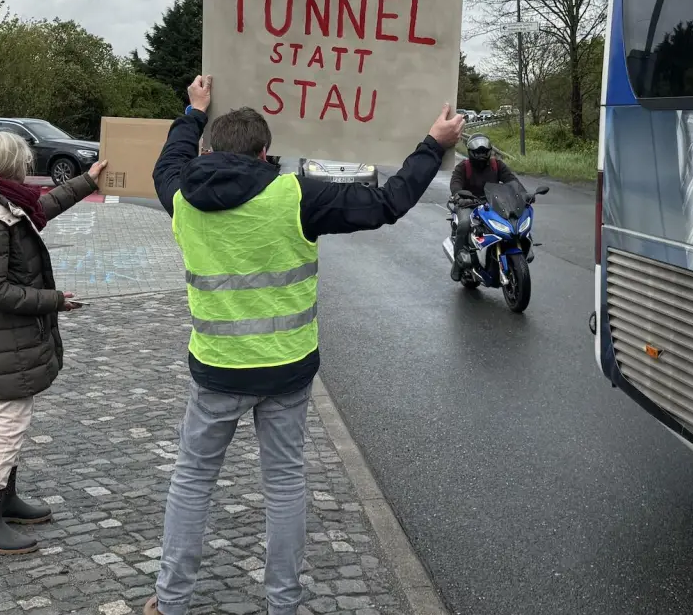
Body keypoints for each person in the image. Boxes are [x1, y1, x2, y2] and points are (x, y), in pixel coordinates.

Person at [143, 75, 464, 615]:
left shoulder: (181, 198)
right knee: (286, 485)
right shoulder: (295, 195)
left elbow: (167, 163)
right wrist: (432, 143)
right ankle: (283, 605)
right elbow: (386, 202)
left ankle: (170, 603)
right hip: (288, 370)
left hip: (218, 370)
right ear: (266, 151)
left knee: (193, 482)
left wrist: (192, 111)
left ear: (208, 149)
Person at [0, 130, 104, 556]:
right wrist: (54, 301)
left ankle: (6, 500)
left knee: (15, 418)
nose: (28, 168)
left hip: (5, 335)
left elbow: (39, 209)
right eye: (23, 161)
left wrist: (87, 181)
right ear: (11, 166)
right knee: (9, 424)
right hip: (4, 335)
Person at [447, 133, 521, 280]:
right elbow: (455, 183)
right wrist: (459, 196)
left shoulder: (497, 165)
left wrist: (522, 194)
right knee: (464, 224)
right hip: (469, 203)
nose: (481, 155)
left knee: (514, 218)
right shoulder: (464, 167)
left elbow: (511, 181)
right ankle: (458, 263)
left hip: (493, 203)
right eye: (478, 152)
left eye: (484, 152)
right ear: (471, 153)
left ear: (489, 151)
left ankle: (522, 246)